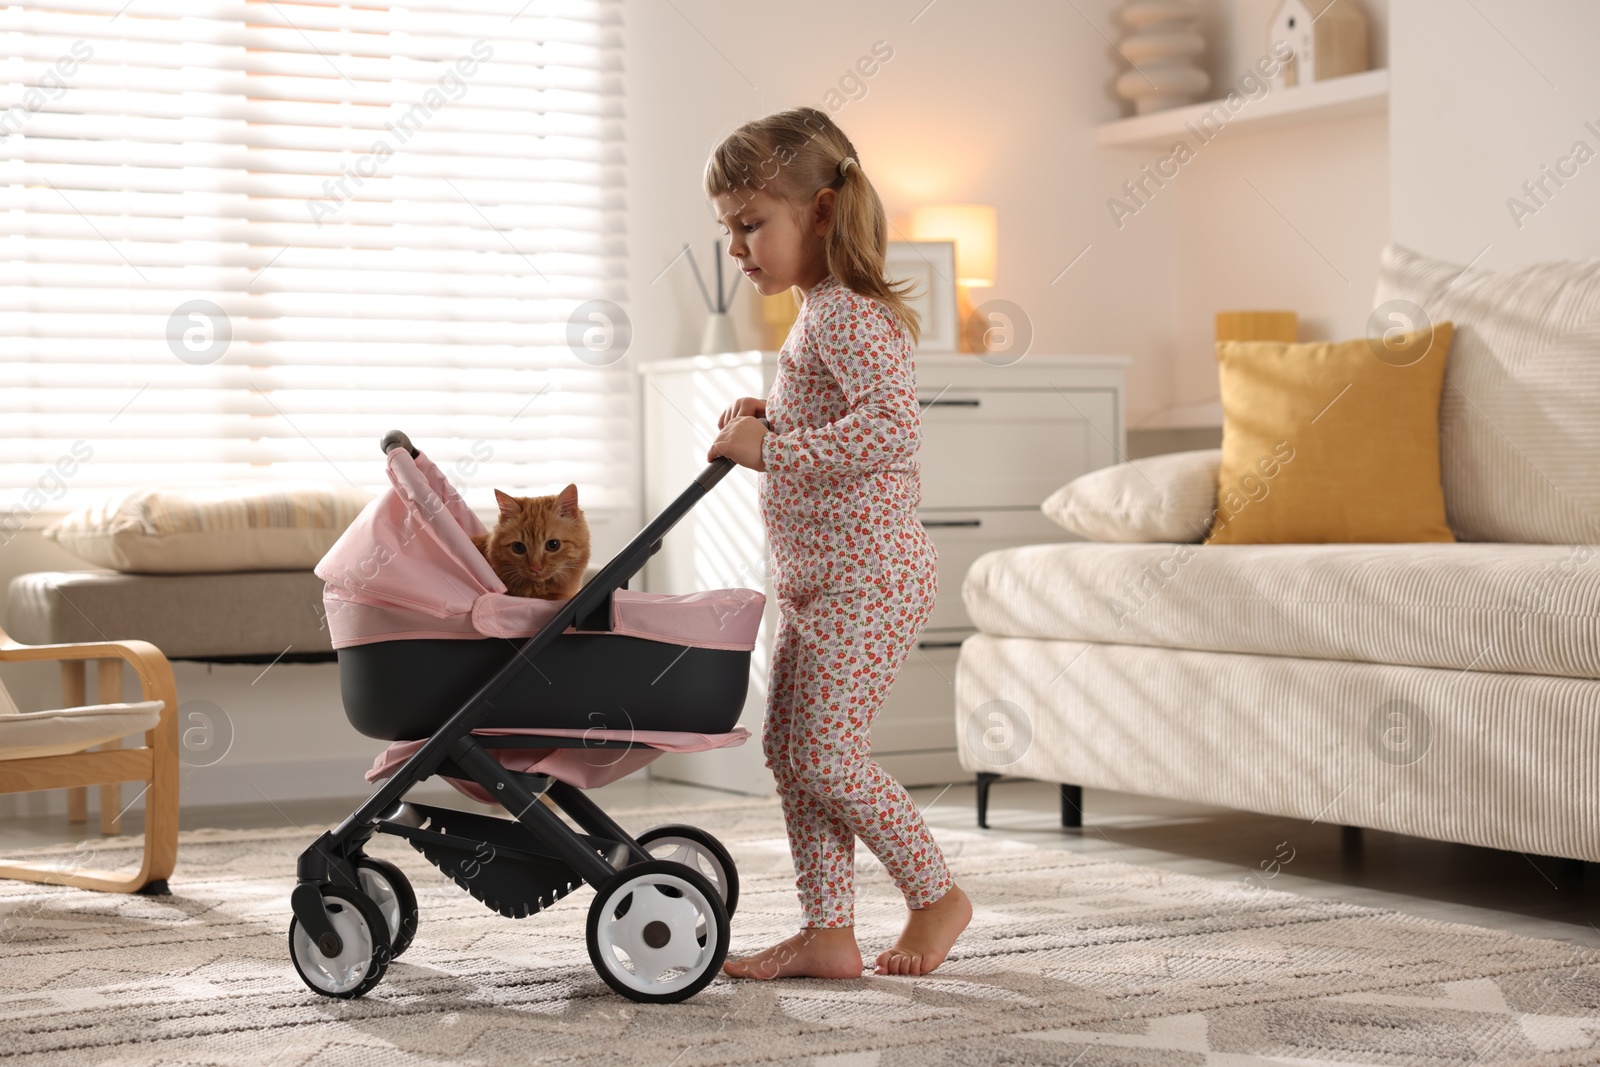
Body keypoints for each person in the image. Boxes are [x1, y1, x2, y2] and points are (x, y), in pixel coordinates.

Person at [703, 107, 971, 979]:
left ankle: (935, 896)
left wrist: (771, 450)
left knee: (825, 753)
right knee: (790, 752)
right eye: (730, 229)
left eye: (752, 224)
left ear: (819, 213)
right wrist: (771, 417)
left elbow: (892, 433)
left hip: (871, 576)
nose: (738, 247)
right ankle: (829, 930)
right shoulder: (818, 315)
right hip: (820, 580)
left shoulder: (849, 316)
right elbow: (841, 424)